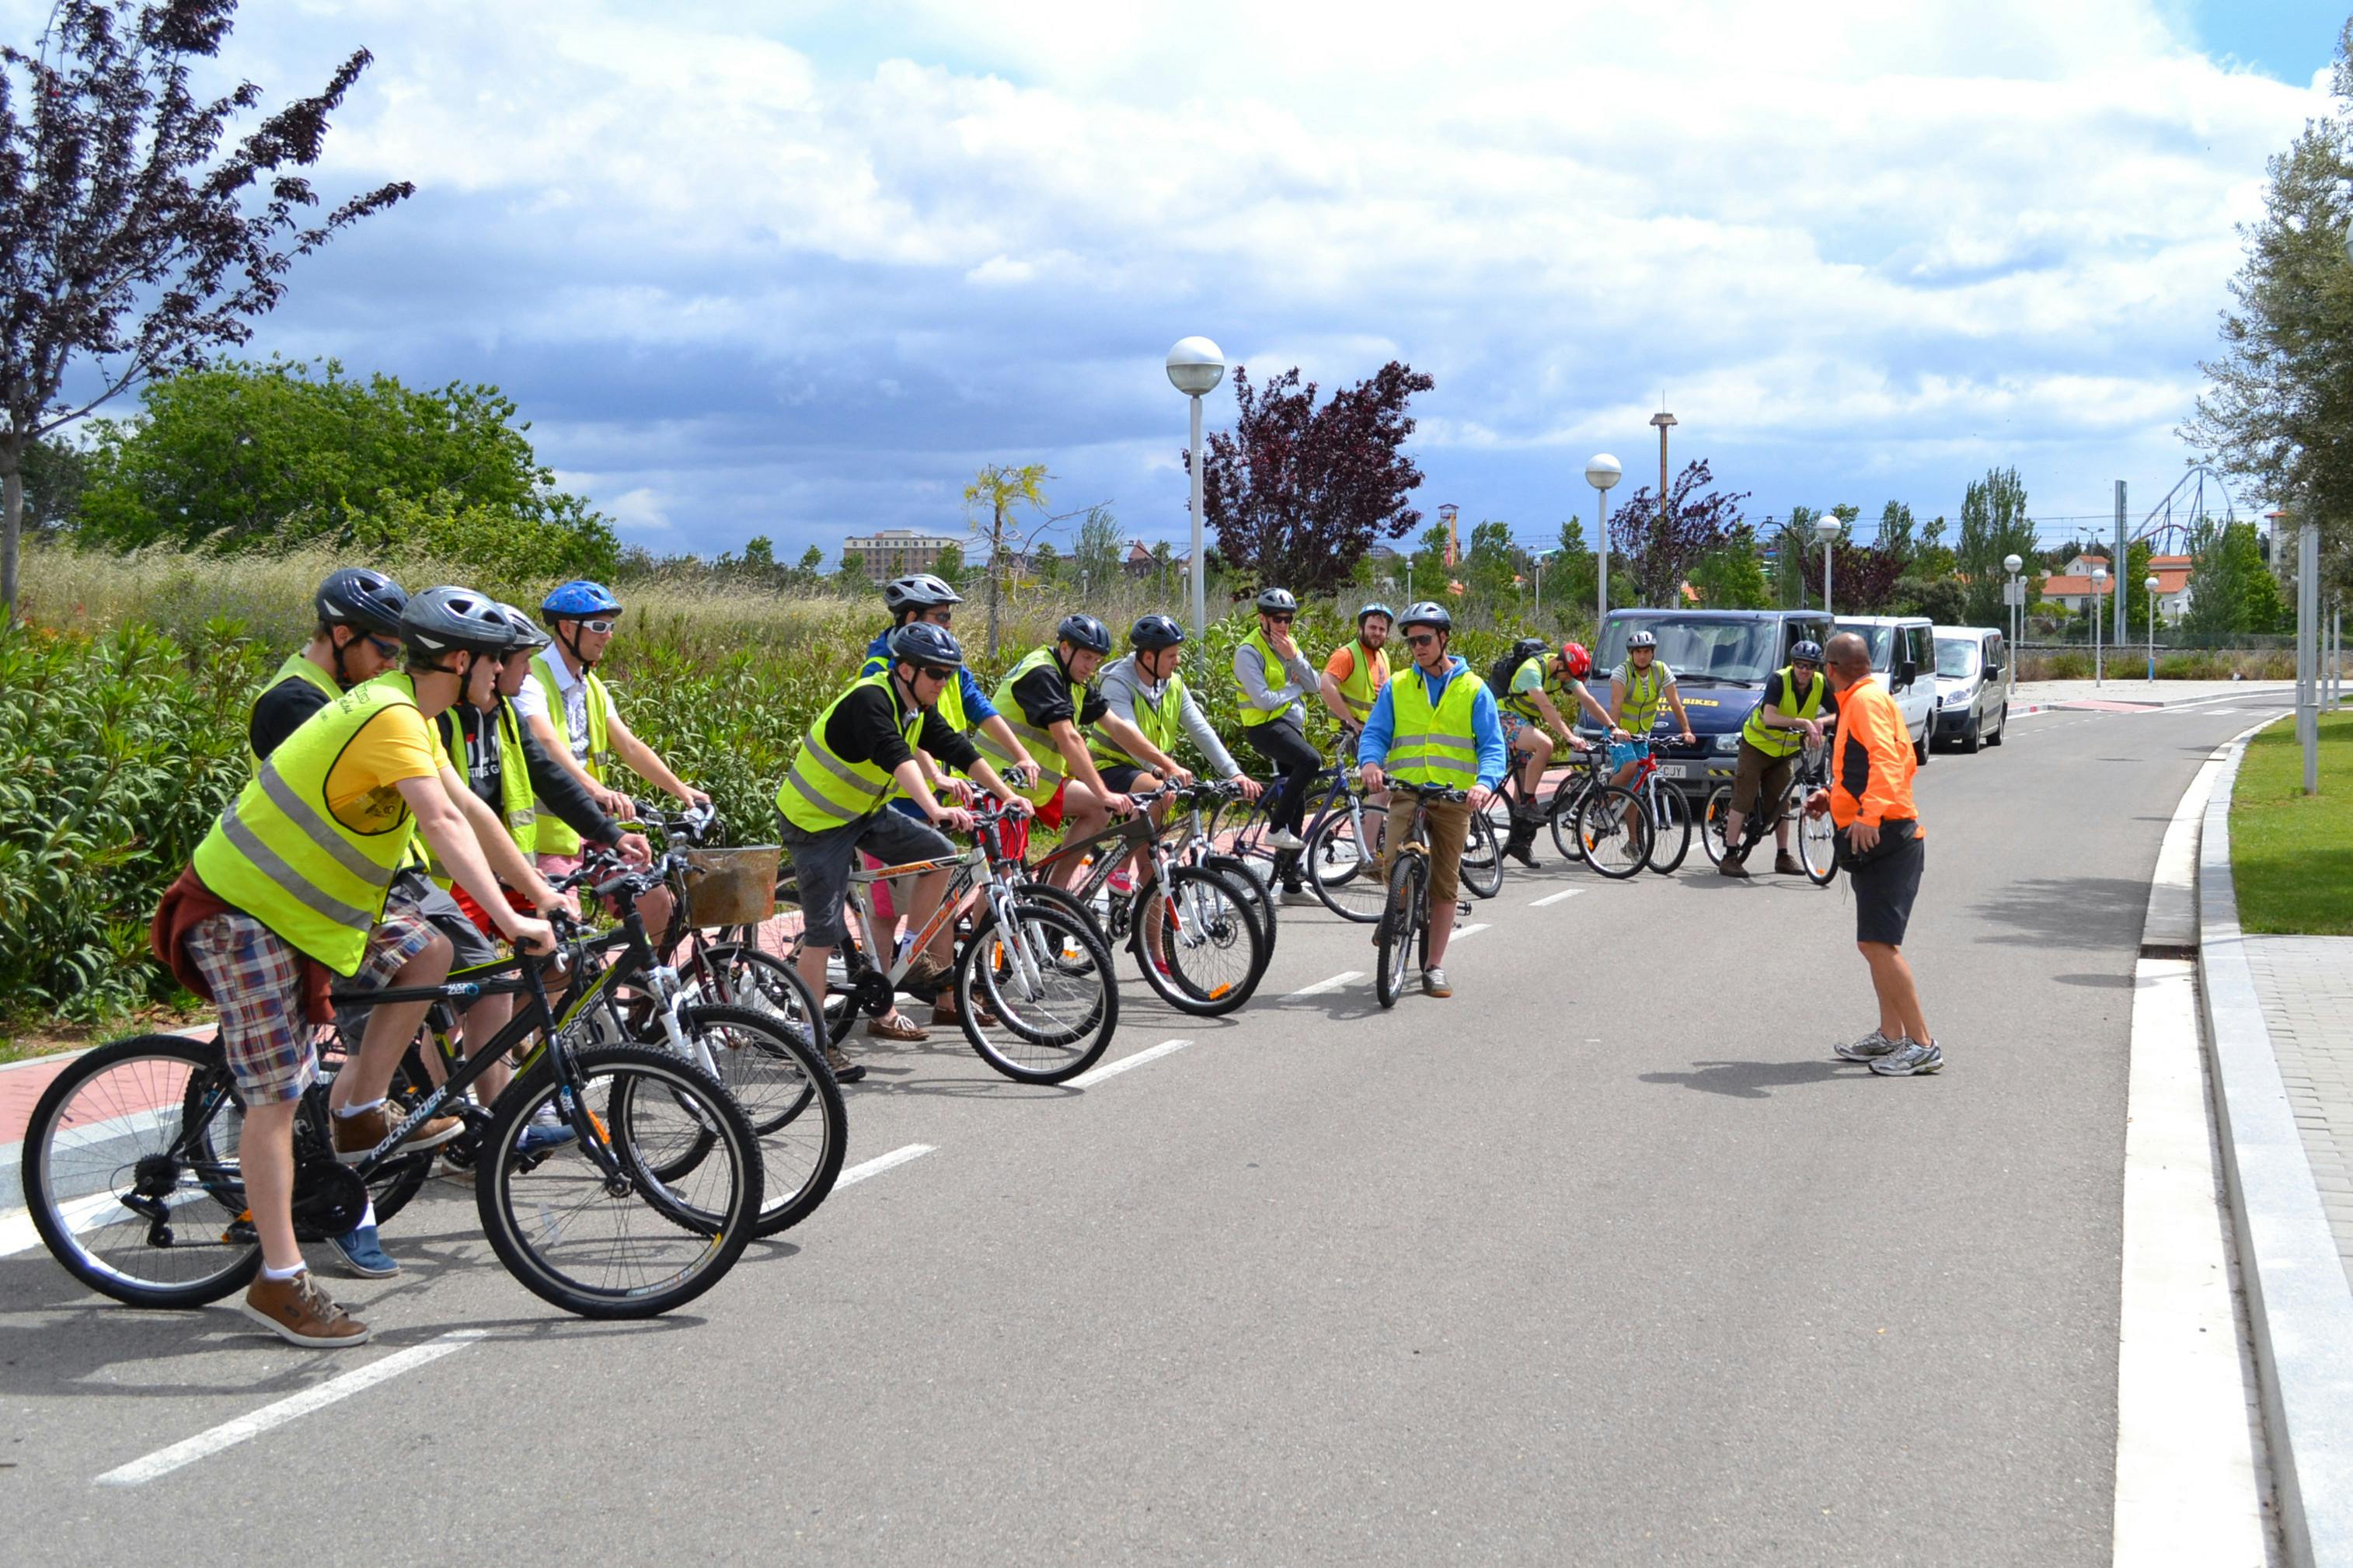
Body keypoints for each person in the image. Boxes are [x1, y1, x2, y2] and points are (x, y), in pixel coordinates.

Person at [152, 587, 559, 1348]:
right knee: (273, 1092)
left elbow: (468, 808)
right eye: (501, 660)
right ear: (463, 659)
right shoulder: (390, 715)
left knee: (429, 950)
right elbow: (437, 823)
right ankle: (278, 1278)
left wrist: (542, 896)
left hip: (311, 910)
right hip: (242, 907)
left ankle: (356, 1108)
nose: (508, 675)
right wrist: (509, 919)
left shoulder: (416, 710)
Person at [421, 605, 653, 1119]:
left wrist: (611, 836)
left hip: (499, 869)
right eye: (520, 662)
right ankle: (448, 1115)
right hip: (452, 874)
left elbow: (548, 775)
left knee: (537, 971)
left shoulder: (500, 712)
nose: (524, 673)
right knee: (456, 1006)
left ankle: (500, 1103)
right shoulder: (441, 721)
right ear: (485, 663)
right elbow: (454, 815)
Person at [776, 622, 1030, 1078]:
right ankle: (813, 1048)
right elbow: (897, 756)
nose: (943, 683)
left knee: (940, 853)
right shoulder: (871, 699)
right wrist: (934, 806)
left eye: (950, 675)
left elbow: (956, 745)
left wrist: (1004, 794)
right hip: (815, 823)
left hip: (862, 813)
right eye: (936, 674)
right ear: (906, 668)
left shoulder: (916, 705)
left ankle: (913, 957)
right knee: (821, 933)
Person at [514, 580, 710, 933]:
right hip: (549, 836)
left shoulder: (592, 686)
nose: (608, 636)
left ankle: (641, 988)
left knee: (657, 903)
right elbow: (544, 740)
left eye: (611, 627)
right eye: (599, 627)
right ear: (567, 628)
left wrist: (682, 790)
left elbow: (631, 746)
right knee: (562, 934)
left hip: (592, 826)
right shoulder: (531, 678)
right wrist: (596, 790)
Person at [1354, 601, 1507, 1000]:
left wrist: (1485, 783)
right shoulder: (1399, 685)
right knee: (1392, 865)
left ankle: (1434, 967)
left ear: (1444, 639)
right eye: (1410, 641)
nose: (1417, 648)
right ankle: (1397, 909)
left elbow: (1492, 746)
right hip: (1408, 788)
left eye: (1424, 639)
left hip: (1455, 798)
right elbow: (1375, 734)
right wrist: (1370, 762)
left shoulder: (1474, 689)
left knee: (1445, 882)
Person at [1806, 632, 1939, 1076]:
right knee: (1873, 944)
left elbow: (1885, 760)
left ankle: (1922, 1044)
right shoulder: (1865, 699)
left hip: (1886, 835)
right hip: (1880, 830)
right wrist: (1834, 797)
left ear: (1833, 668)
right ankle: (1890, 1036)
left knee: (1880, 945)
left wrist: (1868, 814)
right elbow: (1898, 762)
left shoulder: (1862, 703)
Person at [973, 613, 1144, 892]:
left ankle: (1055, 894)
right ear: (1065, 647)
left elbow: (1116, 726)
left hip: (1034, 784)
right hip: (995, 781)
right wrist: (1104, 791)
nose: (1091, 667)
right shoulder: (1042, 673)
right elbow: (1068, 738)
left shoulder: (1074, 680)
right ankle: (990, 935)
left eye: (1096, 661)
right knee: (1002, 880)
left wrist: (1165, 764)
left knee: (1098, 809)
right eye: (1086, 657)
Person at [1093, 615, 1263, 889]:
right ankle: (1118, 865)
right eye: (1172, 655)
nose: (1178, 661)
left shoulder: (1172, 685)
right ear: (1149, 657)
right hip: (1109, 766)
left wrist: (1234, 773)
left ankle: (1147, 928)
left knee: (1158, 878)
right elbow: (1127, 735)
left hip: (1153, 770)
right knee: (1164, 791)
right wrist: (1163, 768)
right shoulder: (1117, 684)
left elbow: (1201, 730)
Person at [859, 574, 1038, 803]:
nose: (949, 625)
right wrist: (934, 776)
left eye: (949, 616)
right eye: (942, 616)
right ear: (913, 618)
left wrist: (1022, 756)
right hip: (901, 791)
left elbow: (978, 706)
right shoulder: (878, 669)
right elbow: (892, 734)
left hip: (946, 782)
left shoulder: (945, 663)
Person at [246, 568, 409, 765]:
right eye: (386, 651)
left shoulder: (334, 683)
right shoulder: (294, 703)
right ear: (343, 636)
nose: (391, 665)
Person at [1233, 587, 1325, 899]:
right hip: (1263, 727)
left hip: (1287, 727)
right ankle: (1275, 829)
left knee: (1297, 800)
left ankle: (1291, 884)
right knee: (1311, 761)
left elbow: (1315, 685)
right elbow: (1262, 701)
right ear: (1263, 618)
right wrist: (1293, 689)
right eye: (1277, 618)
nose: (1284, 625)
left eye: (1288, 619)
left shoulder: (1289, 646)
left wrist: (1294, 658)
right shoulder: (1248, 652)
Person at [1718, 639, 1836, 880]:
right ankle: (1729, 856)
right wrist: (1803, 722)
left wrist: (1820, 722)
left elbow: (1840, 712)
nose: (1805, 670)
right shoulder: (1778, 680)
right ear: (1793, 664)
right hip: (1757, 745)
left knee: (1782, 804)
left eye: (1810, 666)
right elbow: (1770, 717)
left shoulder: (1820, 683)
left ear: (1817, 668)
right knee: (1744, 797)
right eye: (1800, 665)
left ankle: (1783, 856)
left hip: (1786, 751)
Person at [1495, 640, 1609, 868]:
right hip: (1503, 715)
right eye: (1569, 676)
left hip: (1525, 721)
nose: (1569, 681)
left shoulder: (1565, 672)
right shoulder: (1531, 671)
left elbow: (1588, 700)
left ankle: (1519, 844)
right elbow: (1547, 708)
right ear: (1560, 665)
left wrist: (1613, 727)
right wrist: (1570, 737)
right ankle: (1528, 802)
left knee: (1523, 783)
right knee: (1545, 745)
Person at [1605, 627, 1696, 826]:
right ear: (1631, 654)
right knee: (1630, 768)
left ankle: (1633, 845)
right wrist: (1616, 731)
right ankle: (1603, 808)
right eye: (1638, 652)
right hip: (1618, 731)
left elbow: (1675, 702)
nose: (1642, 656)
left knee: (1636, 790)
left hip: (1642, 735)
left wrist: (1686, 730)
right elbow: (1616, 704)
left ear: (1653, 653)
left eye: (1647, 651)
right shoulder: (1622, 672)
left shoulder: (1661, 670)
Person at [1317, 602, 1394, 744]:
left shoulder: (1382, 654)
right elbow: (1326, 686)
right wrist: (1350, 721)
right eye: (1372, 627)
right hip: (1352, 733)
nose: (1377, 633)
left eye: (1382, 629)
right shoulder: (1346, 655)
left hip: (1374, 731)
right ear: (1360, 628)